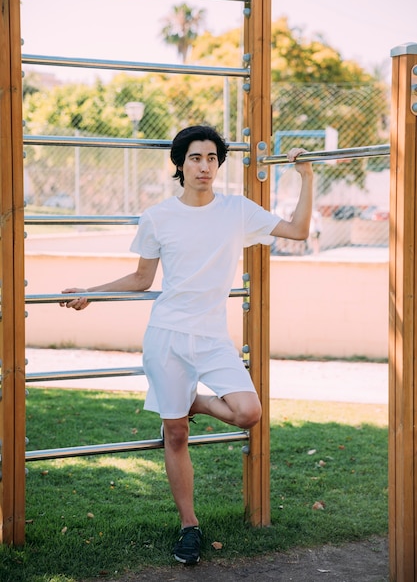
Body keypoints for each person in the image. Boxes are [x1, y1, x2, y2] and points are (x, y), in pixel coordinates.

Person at [61, 125, 313, 565]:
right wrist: (91, 291)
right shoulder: (158, 216)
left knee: (248, 413)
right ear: (181, 164)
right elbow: (142, 279)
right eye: (196, 158)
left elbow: (297, 230)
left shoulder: (236, 210)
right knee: (175, 434)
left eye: (212, 158)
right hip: (168, 336)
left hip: (213, 339)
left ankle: (189, 402)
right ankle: (189, 527)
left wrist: (307, 177)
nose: (205, 166)